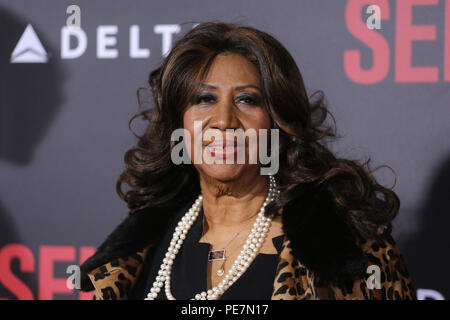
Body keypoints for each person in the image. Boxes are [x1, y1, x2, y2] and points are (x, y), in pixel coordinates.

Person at [79, 21, 416, 300]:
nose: (224, 120)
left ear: (277, 121)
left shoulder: (345, 248)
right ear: (178, 123)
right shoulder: (141, 246)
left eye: (246, 100)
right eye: (204, 98)